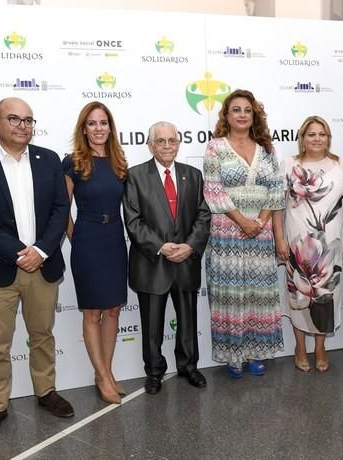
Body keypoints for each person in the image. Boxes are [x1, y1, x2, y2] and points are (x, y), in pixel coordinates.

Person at [0, 97, 74, 443]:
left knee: (42, 335)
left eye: (28, 120)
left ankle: (46, 391)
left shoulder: (48, 159)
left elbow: (59, 210)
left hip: (43, 265)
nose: (23, 125)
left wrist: (39, 251)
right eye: (14, 119)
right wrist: (17, 252)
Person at [123, 121, 211, 395]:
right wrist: (162, 247)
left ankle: (188, 366)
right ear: (150, 145)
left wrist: (189, 246)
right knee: (152, 324)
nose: (166, 146)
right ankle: (154, 372)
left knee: (188, 319)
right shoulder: (135, 176)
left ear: (178, 143)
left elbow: (203, 215)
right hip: (152, 262)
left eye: (172, 140)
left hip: (186, 261)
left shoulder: (193, 175)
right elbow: (133, 220)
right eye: (160, 141)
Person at [203, 89, 285, 378]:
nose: (241, 114)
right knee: (231, 295)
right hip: (228, 234)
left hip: (260, 236)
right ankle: (233, 355)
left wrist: (260, 223)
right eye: (235, 109)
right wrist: (242, 222)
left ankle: (254, 352)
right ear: (226, 115)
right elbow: (213, 189)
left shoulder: (267, 149)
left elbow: (276, 189)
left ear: (254, 115)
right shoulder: (216, 147)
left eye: (247, 110)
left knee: (257, 294)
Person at [274, 116, 343, 372]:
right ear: (302, 138)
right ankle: (299, 347)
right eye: (311, 134)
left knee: (325, 297)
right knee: (298, 295)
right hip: (297, 246)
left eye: (322, 134)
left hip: (329, 247)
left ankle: (320, 347)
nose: (317, 138)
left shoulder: (339, 164)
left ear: (328, 138)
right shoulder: (289, 164)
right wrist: (279, 239)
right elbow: (278, 205)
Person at [63, 101, 128, 404]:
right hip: (87, 239)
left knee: (113, 309)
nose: (99, 128)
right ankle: (101, 376)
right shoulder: (73, 161)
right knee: (92, 312)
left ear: (110, 128)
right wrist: (77, 239)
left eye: (103, 123)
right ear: (84, 128)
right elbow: (63, 209)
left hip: (115, 238)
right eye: (92, 123)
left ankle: (108, 371)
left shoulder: (119, 161)